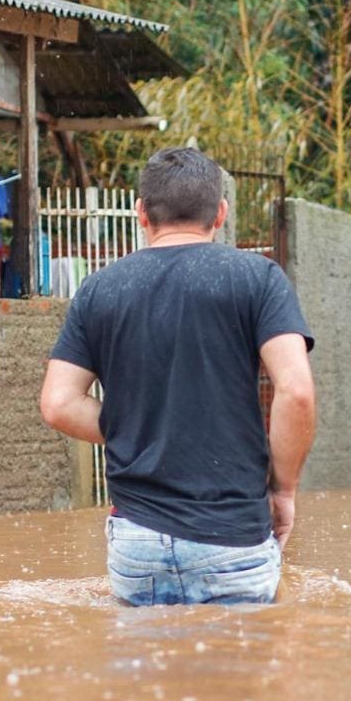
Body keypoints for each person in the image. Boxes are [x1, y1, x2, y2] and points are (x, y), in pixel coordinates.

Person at [38, 148, 316, 605]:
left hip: (137, 546)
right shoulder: (258, 279)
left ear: (141, 213)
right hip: (233, 537)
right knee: (242, 672)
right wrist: (283, 490)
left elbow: (58, 403)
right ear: (220, 213)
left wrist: (134, 429)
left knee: (146, 675)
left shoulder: (100, 289)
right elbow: (296, 392)